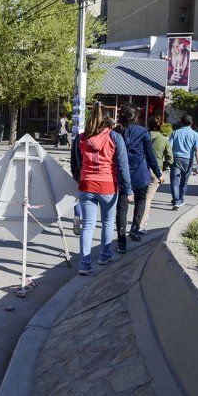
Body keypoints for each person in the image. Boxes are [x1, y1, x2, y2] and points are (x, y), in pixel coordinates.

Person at [71, 102, 133, 275]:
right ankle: (104, 255)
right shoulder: (115, 137)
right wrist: (128, 189)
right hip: (108, 186)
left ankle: (84, 264)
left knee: (87, 225)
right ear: (107, 119)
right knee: (107, 222)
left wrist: (80, 179)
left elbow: (76, 163)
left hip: (86, 185)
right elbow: (123, 166)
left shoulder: (81, 138)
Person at [115, 104, 164, 252]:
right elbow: (150, 156)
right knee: (141, 200)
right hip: (141, 174)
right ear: (136, 116)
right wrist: (158, 173)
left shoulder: (118, 132)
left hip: (123, 174)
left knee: (122, 207)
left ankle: (121, 243)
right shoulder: (143, 132)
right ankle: (135, 229)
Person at [139, 115, 173, 233]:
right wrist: (164, 166)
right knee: (147, 198)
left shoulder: (142, 136)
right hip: (156, 171)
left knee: (140, 197)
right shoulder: (164, 139)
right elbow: (170, 158)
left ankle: (140, 218)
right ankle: (141, 224)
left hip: (141, 169)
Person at [169, 114, 198, 210]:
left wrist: (167, 160)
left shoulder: (175, 133)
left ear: (181, 122)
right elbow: (197, 150)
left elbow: (169, 147)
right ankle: (180, 199)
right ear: (191, 123)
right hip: (188, 160)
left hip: (176, 159)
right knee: (184, 181)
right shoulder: (196, 135)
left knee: (174, 181)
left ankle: (176, 201)